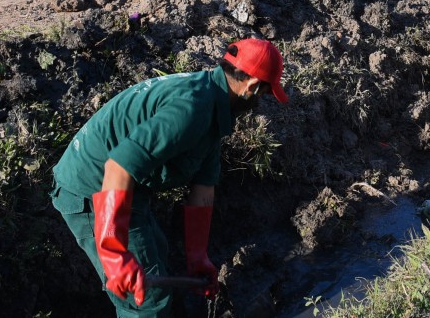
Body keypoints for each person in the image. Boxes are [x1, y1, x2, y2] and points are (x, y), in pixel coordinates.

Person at [50, 39, 289, 316]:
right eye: (264, 94)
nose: (259, 103)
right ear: (252, 86)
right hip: (92, 188)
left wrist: (198, 256)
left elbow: (204, 188)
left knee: (155, 253)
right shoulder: (192, 109)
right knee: (146, 301)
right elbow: (118, 167)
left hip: (128, 188)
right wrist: (114, 253)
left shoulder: (213, 104)